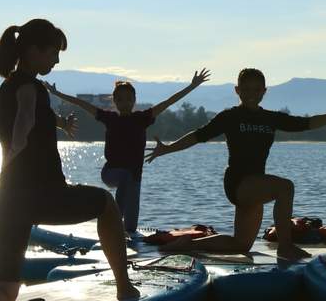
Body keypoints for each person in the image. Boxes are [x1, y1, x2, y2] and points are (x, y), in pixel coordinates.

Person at [0, 19, 139, 301]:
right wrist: (17, 147)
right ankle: (125, 288)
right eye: (53, 52)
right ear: (33, 51)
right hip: (45, 194)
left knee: (3, 294)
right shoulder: (32, 87)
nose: (56, 59)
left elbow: (32, 114)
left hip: (6, 200)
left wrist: (57, 124)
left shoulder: (8, 87)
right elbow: (26, 119)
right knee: (107, 205)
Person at [146, 67, 326, 260]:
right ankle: (285, 247)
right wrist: (167, 148)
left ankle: (186, 244)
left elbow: (306, 124)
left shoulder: (270, 118)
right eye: (246, 89)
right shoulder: (230, 116)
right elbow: (198, 135)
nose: (251, 94)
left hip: (255, 184)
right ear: (237, 90)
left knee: (241, 245)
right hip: (238, 182)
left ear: (264, 91)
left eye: (256, 89)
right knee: (285, 187)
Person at [45, 70, 211, 235]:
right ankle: (114, 222)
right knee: (125, 178)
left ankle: (125, 234)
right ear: (115, 101)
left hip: (135, 179)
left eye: (129, 99)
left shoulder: (142, 118)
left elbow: (168, 102)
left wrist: (192, 86)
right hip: (111, 173)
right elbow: (81, 103)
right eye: (120, 99)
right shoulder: (110, 119)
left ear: (134, 100)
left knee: (131, 227)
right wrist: (57, 93)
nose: (125, 102)